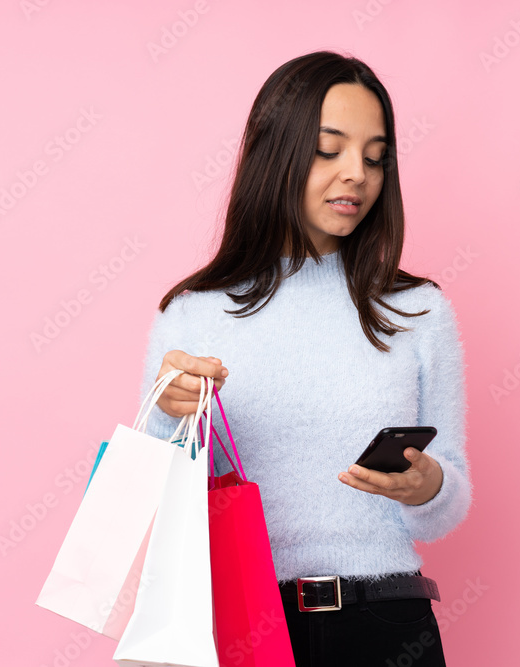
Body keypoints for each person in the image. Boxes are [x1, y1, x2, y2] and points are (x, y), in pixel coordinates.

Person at [137, 50, 471, 666]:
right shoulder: (192, 313)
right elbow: (156, 499)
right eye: (330, 149)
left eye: (374, 157)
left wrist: (427, 485)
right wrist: (167, 413)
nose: (357, 175)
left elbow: (443, 507)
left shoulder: (419, 310)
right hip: (239, 623)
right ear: (277, 151)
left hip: (386, 622)